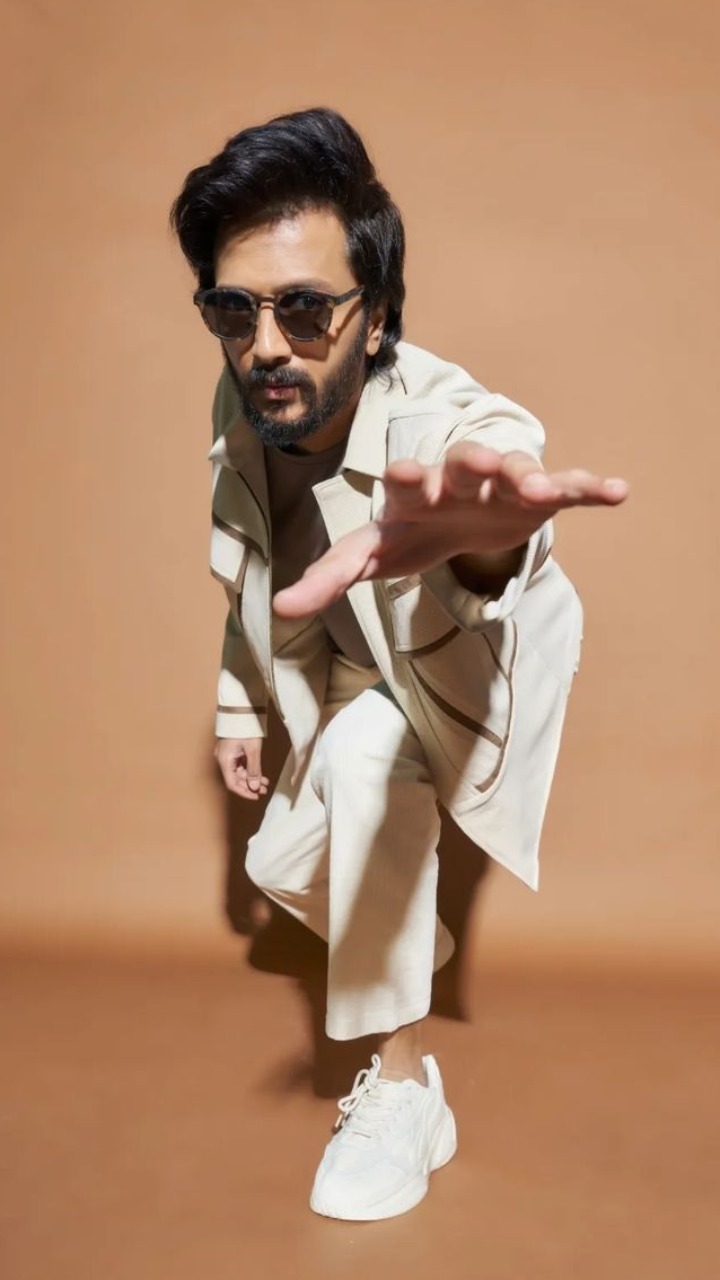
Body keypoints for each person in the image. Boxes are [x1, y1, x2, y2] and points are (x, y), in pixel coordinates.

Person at [170, 107, 628, 1222]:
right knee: (286, 861)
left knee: (369, 761)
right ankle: (404, 931)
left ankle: (406, 1089)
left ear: (373, 319)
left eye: (306, 308)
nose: (266, 344)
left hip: (451, 661)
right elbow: (247, 567)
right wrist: (237, 706)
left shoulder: (433, 415)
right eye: (234, 309)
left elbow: (491, 459)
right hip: (340, 662)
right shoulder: (244, 401)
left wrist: (487, 542)